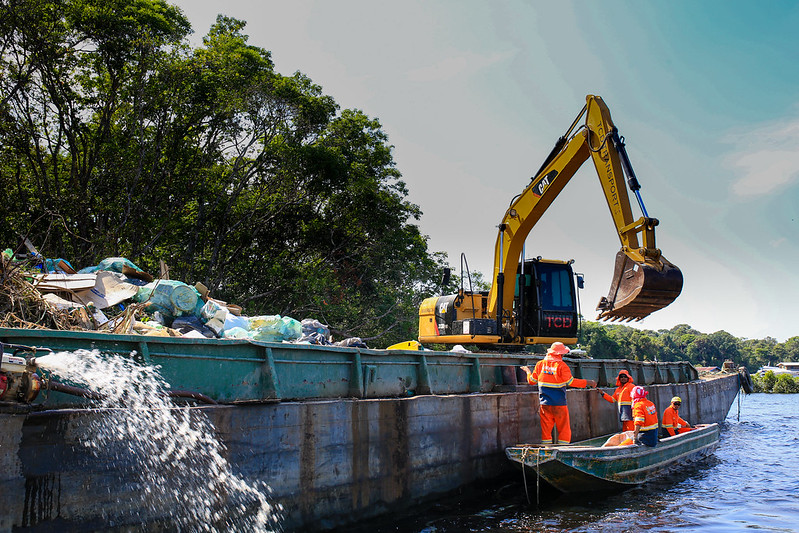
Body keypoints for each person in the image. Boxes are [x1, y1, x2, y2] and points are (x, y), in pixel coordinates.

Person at [520, 342, 597, 445]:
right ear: (560, 354)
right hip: (559, 404)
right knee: (564, 428)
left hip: (545, 404)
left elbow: (531, 381)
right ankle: (563, 449)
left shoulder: (540, 364)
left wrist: (527, 371)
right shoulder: (562, 366)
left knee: (546, 430)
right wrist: (588, 382)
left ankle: (547, 450)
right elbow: (571, 382)